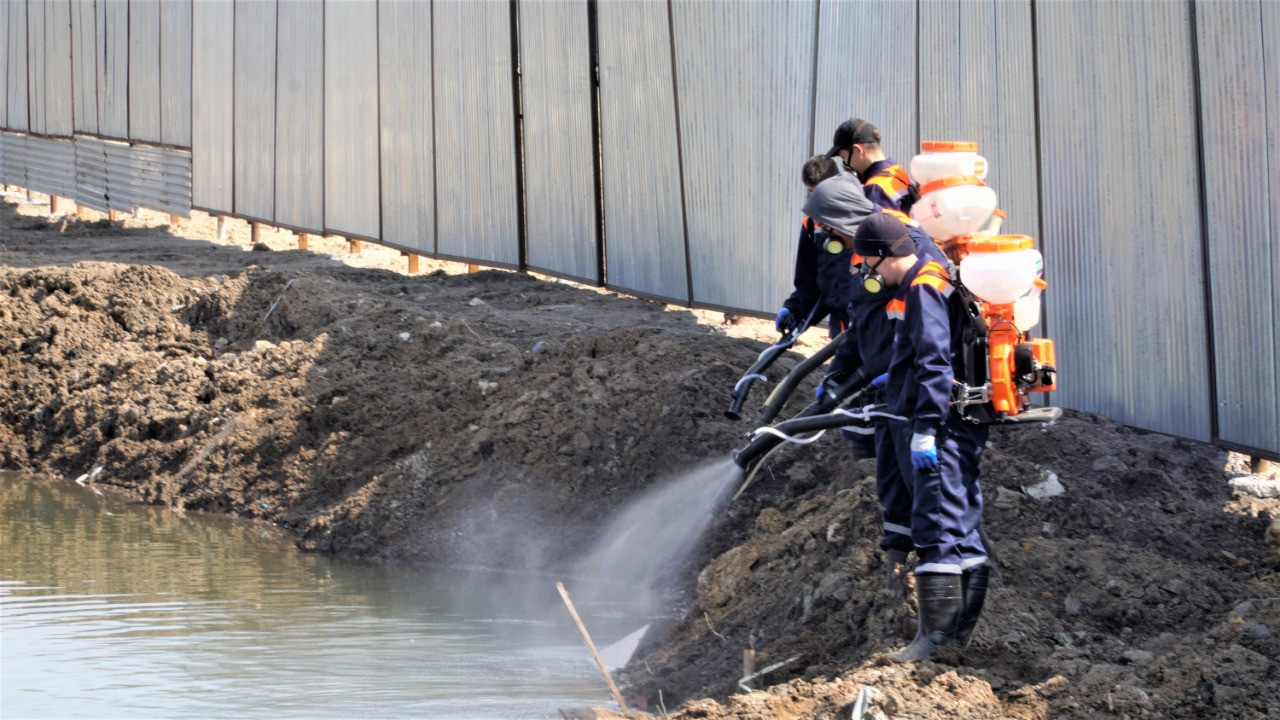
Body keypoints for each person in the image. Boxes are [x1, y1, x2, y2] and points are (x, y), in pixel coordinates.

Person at [851, 211, 991, 662]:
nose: (866, 271)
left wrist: (926, 428)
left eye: (867, 261)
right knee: (961, 526)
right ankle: (956, 637)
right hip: (957, 423)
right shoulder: (933, 275)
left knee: (935, 526)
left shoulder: (922, 288)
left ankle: (934, 641)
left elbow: (933, 363)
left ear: (885, 255)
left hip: (939, 426)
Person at [803, 184, 947, 583]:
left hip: (912, 392)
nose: (830, 237)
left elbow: (932, 338)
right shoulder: (865, 255)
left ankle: (939, 570)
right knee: (892, 480)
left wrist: (909, 385)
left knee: (925, 487)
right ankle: (895, 566)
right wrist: (838, 372)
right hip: (886, 391)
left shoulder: (904, 249)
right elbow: (859, 322)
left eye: (831, 228)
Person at [774, 155, 856, 339]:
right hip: (840, 327)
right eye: (811, 193)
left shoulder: (862, 213)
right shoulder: (811, 225)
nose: (816, 199)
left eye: (821, 192)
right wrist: (793, 309)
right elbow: (809, 282)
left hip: (869, 324)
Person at [825, 118, 918, 214]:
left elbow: (876, 223)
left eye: (844, 157)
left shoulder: (876, 189)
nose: (845, 164)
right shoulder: (898, 172)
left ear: (858, 150)